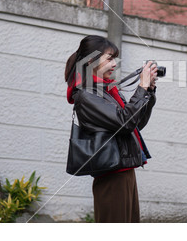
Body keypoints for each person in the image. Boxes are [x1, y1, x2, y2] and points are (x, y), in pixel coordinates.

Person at [64, 35, 157, 223]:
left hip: (124, 170)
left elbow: (135, 125)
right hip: (111, 175)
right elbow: (125, 122)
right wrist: (141, 86)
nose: (114, 64)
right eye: (109, 58)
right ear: (91, 61)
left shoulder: (106, 92)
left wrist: (148, 92)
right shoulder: (87, 95)